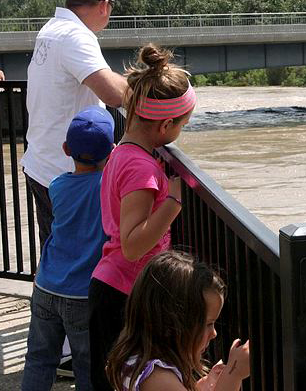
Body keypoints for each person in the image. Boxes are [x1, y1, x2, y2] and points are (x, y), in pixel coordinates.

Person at [88, 44, 196, 391]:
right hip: (123, 295)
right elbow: (133, 245)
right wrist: (174, 201)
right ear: (165, 124)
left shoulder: (124, 152)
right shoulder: (140, 168)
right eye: (182, 124)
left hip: (116, 288)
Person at [21, 0, 128, 251]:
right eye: (112, 5)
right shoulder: (76, 36)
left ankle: (46, 295)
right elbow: (115, 94)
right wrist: (142, 86)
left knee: (54, 254)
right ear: (104, 4)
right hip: (67, 172)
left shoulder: (52, 29)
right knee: (81, 261)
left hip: (41, 163)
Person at [21, 106, 115, 391]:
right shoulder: (108, 187)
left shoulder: (57, 186)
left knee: (39, 359)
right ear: (112, 150)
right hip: (81, 295)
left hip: (46, 286)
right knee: (87, 366)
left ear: (65, 148)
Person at [105, 250, 250, 391]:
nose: (214, 333)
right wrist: (234, 374)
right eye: (208, 324)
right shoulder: (159, 379)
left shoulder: (137, 358)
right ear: (172, 324)